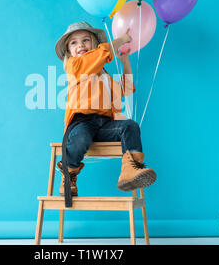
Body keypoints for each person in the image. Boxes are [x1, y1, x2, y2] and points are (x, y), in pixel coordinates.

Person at [55, 21, 156, 207]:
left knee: (130, 126)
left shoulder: (104, 76)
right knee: (80, 139)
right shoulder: (74, 66)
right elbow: (97, 56)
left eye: (86, 40)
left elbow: (124, 89)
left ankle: (129, 169)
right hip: (81, 123)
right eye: (74, 43)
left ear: (94, 43)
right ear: (68, 53)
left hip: (103, 125)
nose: (81, 45)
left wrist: (125, 63)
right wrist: (121, 40)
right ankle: (69, 173)